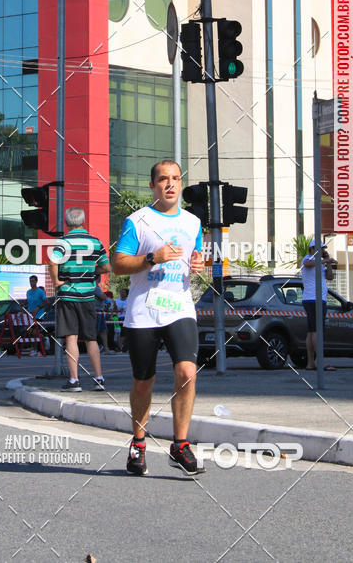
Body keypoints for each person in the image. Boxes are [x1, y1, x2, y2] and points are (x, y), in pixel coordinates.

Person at [113, 159, 205, 476]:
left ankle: (180, 445)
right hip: (143, 310)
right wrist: (153, 257)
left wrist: (198, 263)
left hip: (179, 305)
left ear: (180, 184)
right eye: (163, 179)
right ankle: (138, 443)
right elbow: (118, 264)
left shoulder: (193, 223)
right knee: (143, 382)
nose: (170, 184)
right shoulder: (137, 221)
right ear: (152, 185)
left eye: (175, 179)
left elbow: (197, 256)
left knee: (187, 371)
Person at [48, 207, 110, 392]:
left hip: (68, 295)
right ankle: (99, 378)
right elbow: (106, 267)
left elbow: (53, 262)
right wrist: (91, 272)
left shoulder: (63, 242)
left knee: (71, 338)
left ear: (67, 222)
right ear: (83, 221)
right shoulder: (95, 242)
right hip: (88, 296)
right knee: (91, 338)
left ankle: (74, 380)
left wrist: (56, 281)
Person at [301, 239, 334, 372]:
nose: (323, 251)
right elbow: (308, 263)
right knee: (316, 331)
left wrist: (329, 263)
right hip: (313, 299)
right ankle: (321, 360)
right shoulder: (308, 259)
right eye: (321, 249)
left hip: (318, 299)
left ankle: (310, 362)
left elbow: (330, 277)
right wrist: (324, 261)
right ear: (313, 249)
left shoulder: (320, 263)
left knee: (311, 332)